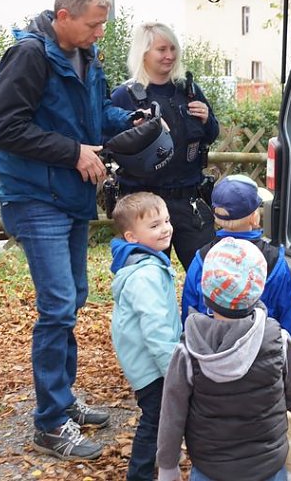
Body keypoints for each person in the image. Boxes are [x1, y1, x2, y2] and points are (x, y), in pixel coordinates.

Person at [0, 0, 135, 459]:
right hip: (35, 196)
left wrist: (129, 119)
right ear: (63, 16)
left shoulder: (86, 55)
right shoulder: (30, 55)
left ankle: (62, 400)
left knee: (72, 299)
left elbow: (94, 116)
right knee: (57, 306)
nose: (100, 33)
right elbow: (1, 127)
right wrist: (73, 152)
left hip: (70, 195)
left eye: (103, 24)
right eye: (93, 24)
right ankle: (50, 424)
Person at [157, 237, 291, 481]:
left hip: (211, 469)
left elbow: (172, 413)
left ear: (206, 294)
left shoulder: (188, 350)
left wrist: (168, 465)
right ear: (257, 291)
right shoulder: (278, 339)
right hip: (268, 466)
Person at [110, 22, 220, 271]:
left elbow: (210, 136)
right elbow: (108, 143)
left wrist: (207, 119)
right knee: (147, 276)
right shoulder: (124, 96)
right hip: (143, 205)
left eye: (172, 48)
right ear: (143, 53)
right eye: (161, 49)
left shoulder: (189, 91)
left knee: (209, 274)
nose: (169, 55)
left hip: (188, 200)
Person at [181, 174, 291, 360]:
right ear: (254, 218)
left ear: (216, 217)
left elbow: (189, 314)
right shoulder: (274, 262)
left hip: (212, 356)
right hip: (262, 355)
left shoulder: (202, 259)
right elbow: (288, 316)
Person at [109, 192, 181, 480]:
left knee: (161, 418)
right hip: (153, 367)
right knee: (155, 420)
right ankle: (140, 473)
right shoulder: (145, 275)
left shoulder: (145, 262)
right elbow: (155, 328)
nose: (165, 229)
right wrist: (173, 370)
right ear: (132, 236)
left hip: (149, 362)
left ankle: (164, 461)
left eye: (166, 221)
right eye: (154, 225)